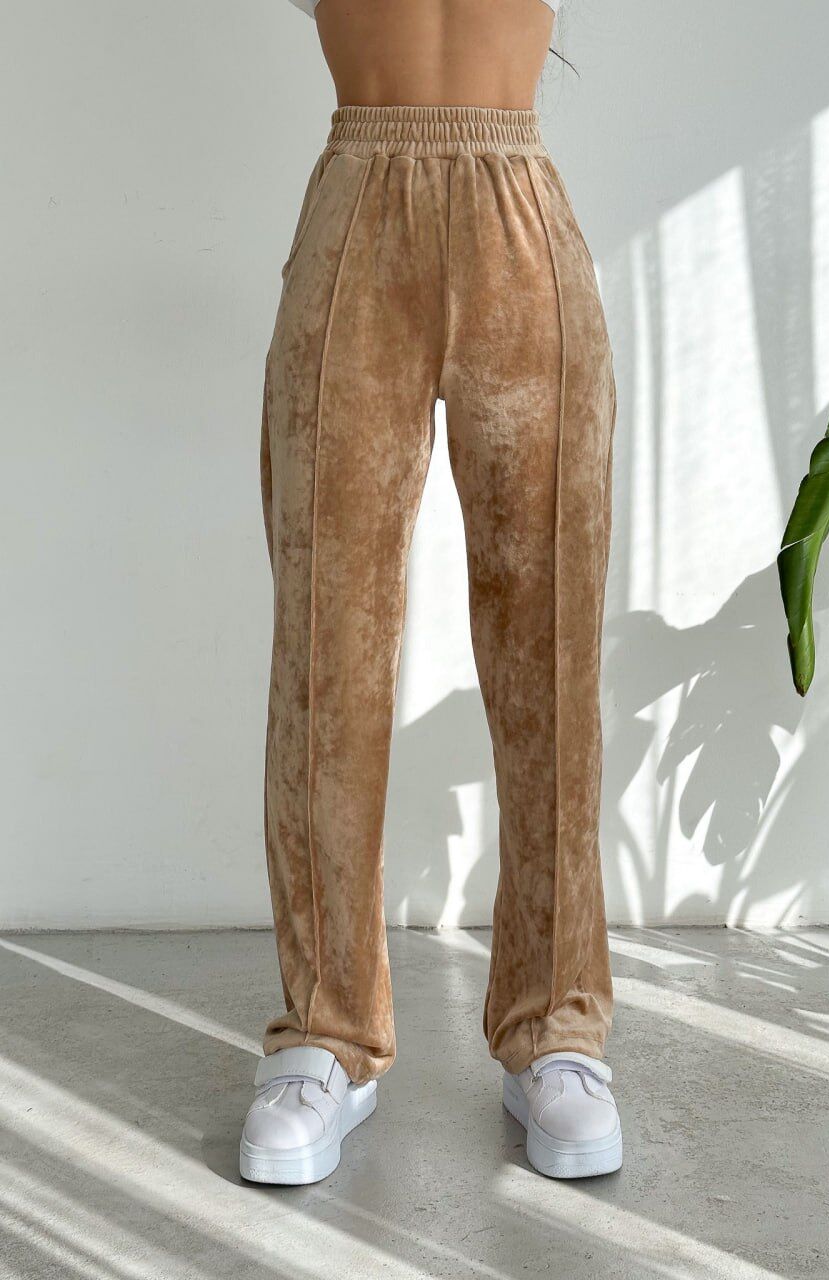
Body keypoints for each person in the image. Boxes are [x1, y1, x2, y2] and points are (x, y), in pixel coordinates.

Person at [239, 0, 621, 1185]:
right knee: (328, 643)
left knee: (549, 646)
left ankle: (557, 1024)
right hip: (359, 214)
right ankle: (324, 1029)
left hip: (521, 217)